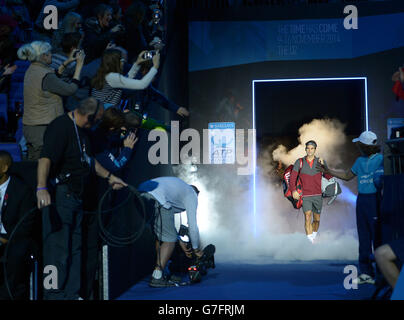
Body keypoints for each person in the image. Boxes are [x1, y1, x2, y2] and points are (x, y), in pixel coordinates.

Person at [36, 97, 128, 300]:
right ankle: (53, 296)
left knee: (75, 249)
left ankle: (72, 294)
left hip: (76, 198)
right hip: (60, 196)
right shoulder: (61, 126)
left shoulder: (84, 132)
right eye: (97, 120)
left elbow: (90, 162)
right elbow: (45, 158)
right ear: (88, 117)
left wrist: (111, 177)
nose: (97, 124)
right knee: (56, 251)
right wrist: (41, 187)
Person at [317, 131, 384, 284]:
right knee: (364, 237)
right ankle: (366, 273)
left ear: (365, 146)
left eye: (360, 144)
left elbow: (383, 180)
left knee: (377, 237)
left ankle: (381, 274)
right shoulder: (360, 160)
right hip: (362, 200)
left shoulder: (381, 159)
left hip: (375, 200)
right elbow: (348, 175)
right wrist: (328, 171)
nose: (358, 147)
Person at [17, 40, 85, 160]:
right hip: (41, 128)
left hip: (32, 126)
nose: (52, 55)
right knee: (41, 164)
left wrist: (68, 61)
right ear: (43, 56)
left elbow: (53, 76)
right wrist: (79, 66)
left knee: (34, 161)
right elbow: (70, 89)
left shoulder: (33, 69)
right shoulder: (46, 75)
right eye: (49, 53)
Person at [138, 177, 203, 287]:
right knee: (169, 241)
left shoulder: (178, 189)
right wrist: (196, 248)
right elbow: (192, 226)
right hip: (158, 197)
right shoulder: (192, 194)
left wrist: (179, 240)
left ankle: (161, 272)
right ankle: (157, 277)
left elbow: (166, 228)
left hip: (140, 193)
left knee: (161, 237)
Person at [0, 150, 36, 299]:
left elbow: (25, 225)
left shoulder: (22, 191)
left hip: (12, 239)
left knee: (16, 255)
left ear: (5, 168)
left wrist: (3, 239)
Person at [290, 140, 332, 243]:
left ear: (315, 150)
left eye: (312, 148)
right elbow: (292, 177)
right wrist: (293, 190)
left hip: (318, 195)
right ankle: (310, 242)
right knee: (307, 217)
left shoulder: (320, 161)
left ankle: (313, 237)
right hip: (305, 195)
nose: (309, 150)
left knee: (317, 219)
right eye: (308, 148)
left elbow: (329, 176)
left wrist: (325, 166)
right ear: (305, 149)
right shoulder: (299, 162)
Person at [90, 48, 159, 107]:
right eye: (122, 60)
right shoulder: (112, 77)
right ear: (115, 63)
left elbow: (126, 79)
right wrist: (155, 67)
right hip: (105, 114)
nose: (124, 63)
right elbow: (142, 85)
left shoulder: (105, 74)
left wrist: (137, 63)